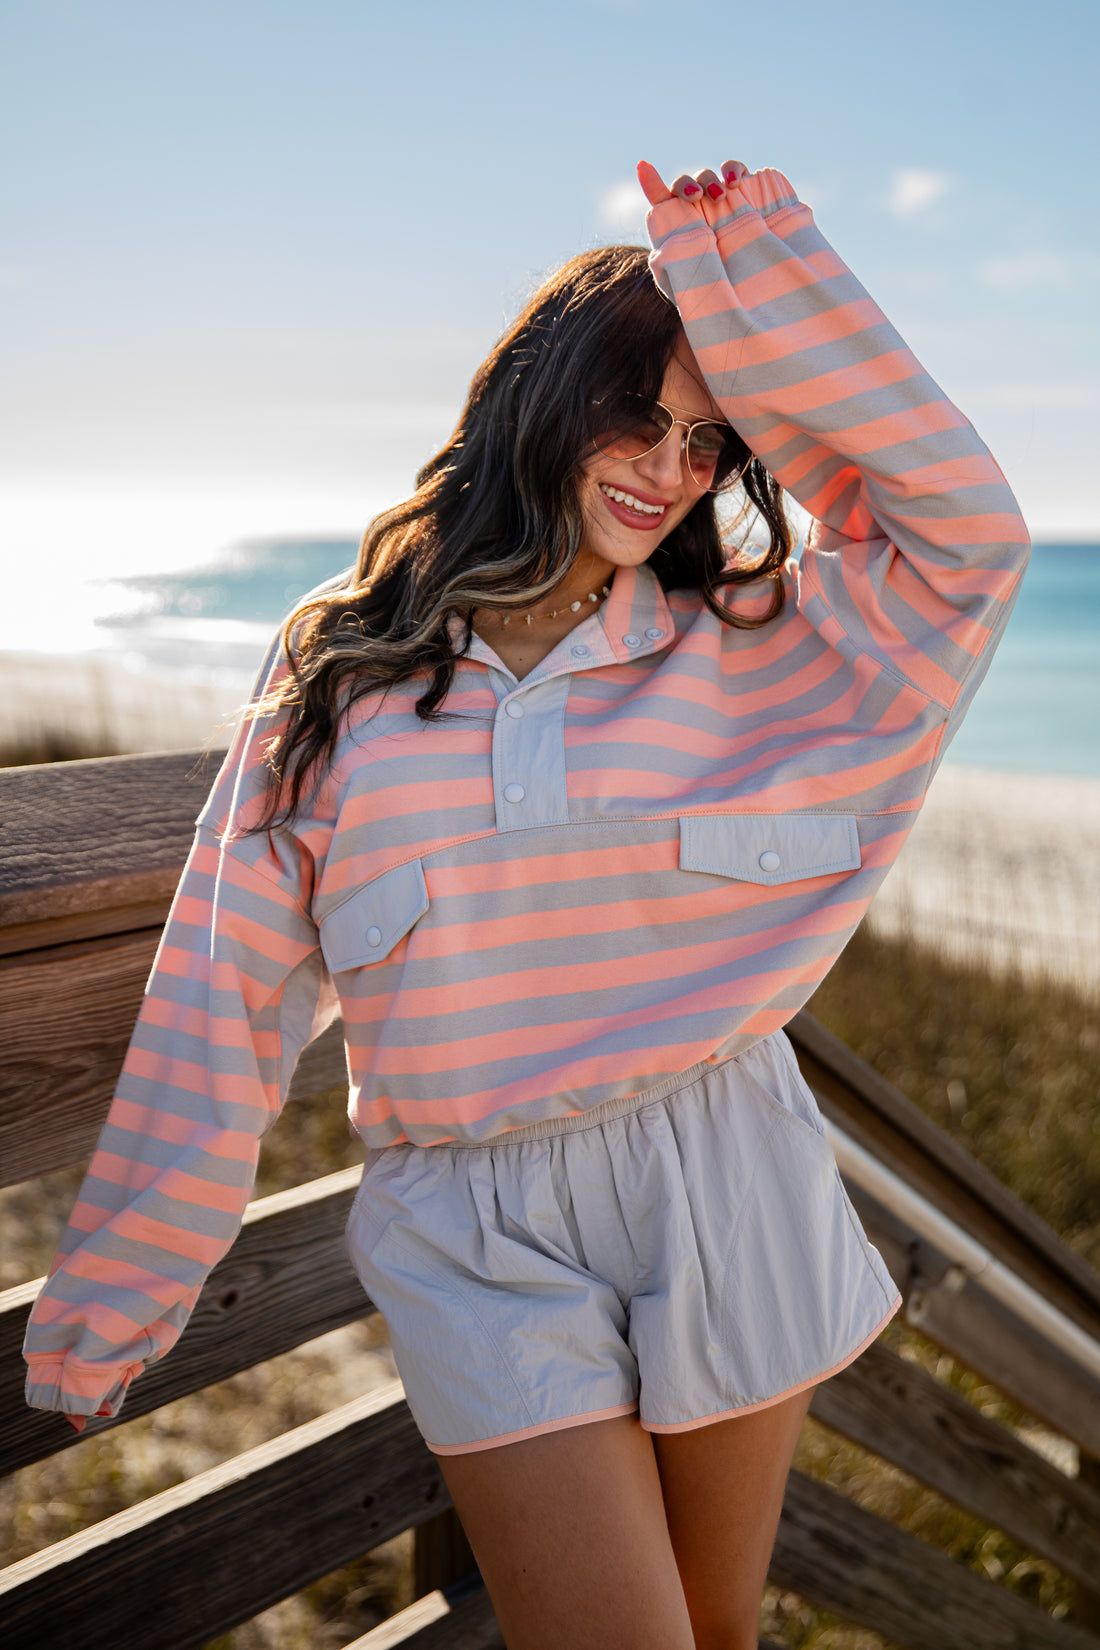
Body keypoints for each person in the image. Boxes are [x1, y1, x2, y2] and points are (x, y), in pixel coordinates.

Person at [24, 155, 1029, 1649]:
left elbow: (968, 540)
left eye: (707, 437)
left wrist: (753, 275)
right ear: (543, 394)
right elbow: (223, 986)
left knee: (714, 1633)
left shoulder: (748, 644)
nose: (668, 465)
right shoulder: (343, 672)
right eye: (635, 409)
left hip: (719, 1167)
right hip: (474, 1227)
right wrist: (115, 1299)